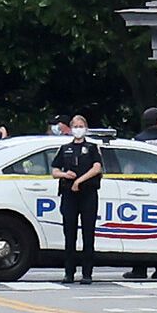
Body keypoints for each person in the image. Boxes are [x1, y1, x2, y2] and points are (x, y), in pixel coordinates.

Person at [122, 107, 157, 281]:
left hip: (142, 190)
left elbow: (130, 167)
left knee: (142, 230)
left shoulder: (138, 140)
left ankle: (139, 269)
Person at [50, 115, 103, 284]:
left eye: (81, 126)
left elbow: (97, 168)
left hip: (88, 194)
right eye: (75, 126)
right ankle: (69, 272)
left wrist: (79, 181)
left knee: (88, 233)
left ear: (86, 128)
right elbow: (54, 171)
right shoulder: (65, 148)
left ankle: (87, 273)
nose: (78, 129)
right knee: (69, 233)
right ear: (71, 128)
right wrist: (65, 175)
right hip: (69, 195)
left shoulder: (92, 147)